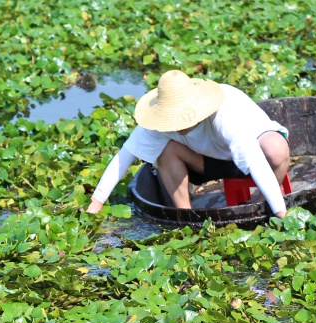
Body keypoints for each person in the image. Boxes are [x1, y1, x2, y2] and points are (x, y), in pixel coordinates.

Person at [86, 70, 291, 218]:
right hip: (205, 162)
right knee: (165, 150)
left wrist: (279, 211)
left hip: (255, 154)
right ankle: (187, 218)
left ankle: (265, 208)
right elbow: (125, 156)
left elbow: (254, 160)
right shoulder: (157, 123)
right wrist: (96, 203)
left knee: (276, 148)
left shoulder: (224, 114)